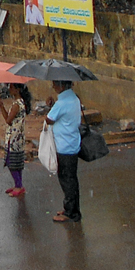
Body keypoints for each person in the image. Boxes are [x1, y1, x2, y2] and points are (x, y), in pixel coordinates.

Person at [46, 79, 83, 222]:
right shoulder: (74, 99)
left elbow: (49, 119)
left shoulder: (61, 103)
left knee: (67, 179)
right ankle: (71, 207)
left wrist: (51, 107)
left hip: (64, 146)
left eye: (55, 84)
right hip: (72, 143)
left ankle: (72, 212)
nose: (53, 86)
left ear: (62, 85)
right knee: (71, 178)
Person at [0, 83, 31, 198]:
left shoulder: (17, 104)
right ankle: (18, 184)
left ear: (17, 90)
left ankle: (18, 185)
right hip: (19, 136)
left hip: (14, 137)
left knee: (11, 161)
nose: (9, 89)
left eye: (12, 87)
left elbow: (8, 120)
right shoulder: (21, 103)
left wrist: (1, 106)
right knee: (17, 161)